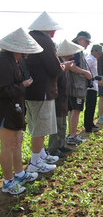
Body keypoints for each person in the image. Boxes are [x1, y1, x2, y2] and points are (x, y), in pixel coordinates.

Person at [0, 28, 43, 194]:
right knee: (8, 145)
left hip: (15, 109)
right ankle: (8, 182)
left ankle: (19, 174)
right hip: (6, 110)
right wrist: (22, 86)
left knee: (17, 141)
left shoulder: (14, 60)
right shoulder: (4, 61)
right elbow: (2, 89)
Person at [24, 12, 65, 172]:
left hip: (31, 89)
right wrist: (64, 67)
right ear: (48, 29)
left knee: (35, 125)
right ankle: (35, 162)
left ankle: (40, 154)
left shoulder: (30, 37)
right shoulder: (45, 40)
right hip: (43, 90)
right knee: (40, 128)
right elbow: (54, 68)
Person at [48, 39, 84, 157]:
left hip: (64, 98)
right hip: (58, 98)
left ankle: (62, 145)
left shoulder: (66, 64)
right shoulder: (59, 64)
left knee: (62, 123)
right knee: (56, 125)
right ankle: (53, 148)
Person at [67, 31, 92, 145]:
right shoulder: (76, 50)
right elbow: (72, 66)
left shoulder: (75, 50)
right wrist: (85, 72)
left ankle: (71, 134)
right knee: (76, 110)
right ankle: (72, 135)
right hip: (76, 86)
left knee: (73, 110)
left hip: (75, 86)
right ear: (80, 39)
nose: (87, 44)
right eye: (86, 41)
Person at [84, 45, 103, 133]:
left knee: (92, 106)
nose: (99, 55)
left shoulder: (94, 59)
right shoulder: (90, 59)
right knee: (90, 106)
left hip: (94, 85)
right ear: (94, 51)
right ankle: (88, 126)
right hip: (90, 86)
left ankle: (90, 123)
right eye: (99, 52)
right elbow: (86, 70)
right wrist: (93, 78)